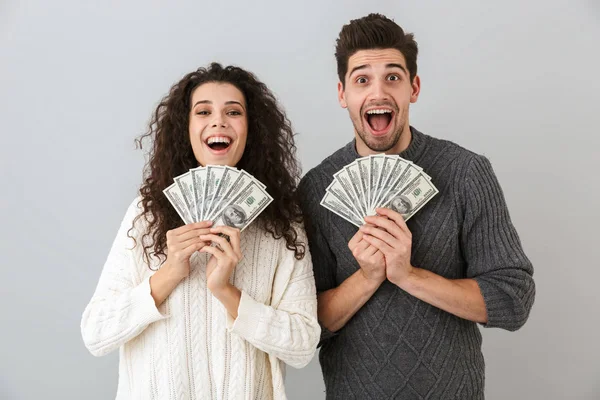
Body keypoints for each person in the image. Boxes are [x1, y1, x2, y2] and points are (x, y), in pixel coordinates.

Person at [297, 13, 535, 399]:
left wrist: (408, 275)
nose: (378, 93)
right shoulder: (317, 188)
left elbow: (512, 299)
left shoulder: (466, 172)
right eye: (362, 79)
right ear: (343, 94)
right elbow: (306, 325)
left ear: (414, 87)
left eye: (392, 77)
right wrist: (369, 276)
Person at [81, 62, 320, 400]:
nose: (218, 121)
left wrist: (225, 291)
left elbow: (302, 344)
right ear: (186, 128)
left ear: (251, 129)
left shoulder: (280, 223)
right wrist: (169, 274)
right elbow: (96, 332)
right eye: (203, 111)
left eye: (233, 112)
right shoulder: (146, 215)